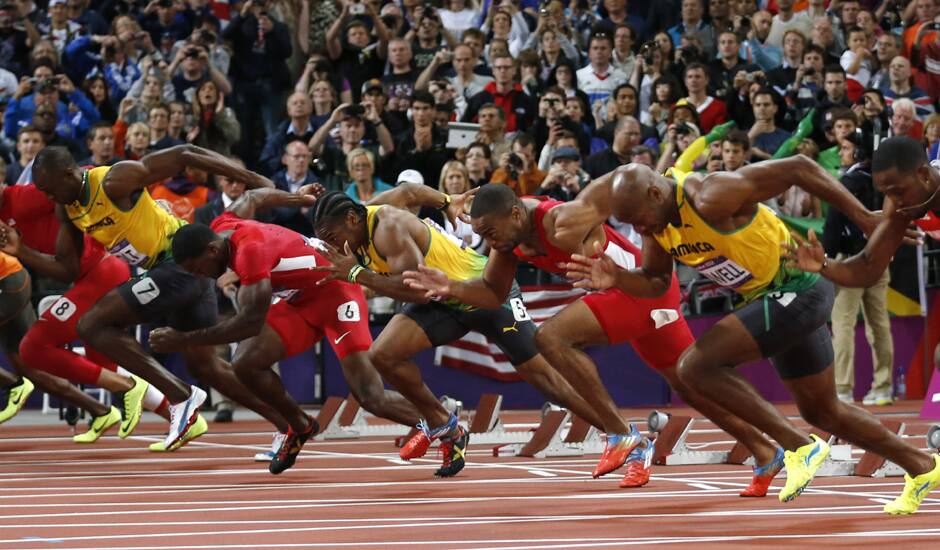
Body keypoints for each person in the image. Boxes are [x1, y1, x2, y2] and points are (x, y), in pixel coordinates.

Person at [564, 155, 940, 515]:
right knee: (823, 410)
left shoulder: (711, 194)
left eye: (638, 220)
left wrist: (861, 216)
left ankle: (796, 446)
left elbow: (798, 167)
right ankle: (922, 465)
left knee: (694, 367)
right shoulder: (659, 225)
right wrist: (618, 280)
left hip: (800, 286)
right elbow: (656, 280)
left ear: (656, 194)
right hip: (774, 299)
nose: (639, 229)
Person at [403, 182, 784, 494]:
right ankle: (765, 450)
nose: (489, 241)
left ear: (516, 213)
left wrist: (592, 245)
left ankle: (622, 434)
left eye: (490, 231)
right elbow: (492, 294)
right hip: (635, 295)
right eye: (482, 234)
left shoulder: (557, 220)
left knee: (550, 337)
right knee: (692, 384)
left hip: (640, 287)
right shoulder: (509, 241)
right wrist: (451, 286)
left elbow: (599, 208)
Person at [311, 188, 606, 478]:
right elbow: (409, 192)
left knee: (549, 381)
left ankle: (618, 433)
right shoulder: (364, 217)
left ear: (351, 219)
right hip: (445, 300)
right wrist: (447, 201)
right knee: (383, 355)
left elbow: (417, 291)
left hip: (484, 291)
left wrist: (357, 274)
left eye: (332, 238)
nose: (334, 248)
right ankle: (444, 424)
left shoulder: (388, 227)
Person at [28, 145, 290, 451]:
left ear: (69, 174)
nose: (48, 197)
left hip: (182, 260)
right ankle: (289, 424)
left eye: (49, 189)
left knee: (92, 326)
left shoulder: (114, 181)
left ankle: (180, 396)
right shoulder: (67, 208)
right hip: (176, 275)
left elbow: (185, 154)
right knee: (206, 368)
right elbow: (66, 269)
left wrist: (251, 176)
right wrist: (20, 251)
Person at [151, 185, 425, 474]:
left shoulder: (249, 255)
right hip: (300, 299)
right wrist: (297, 198)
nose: (200, 276)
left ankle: (437, 418)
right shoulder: (223, 225)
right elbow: (254, 196)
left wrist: (183, 339)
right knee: (245, 363)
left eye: (198, 269)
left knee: (371, 397)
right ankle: (299, 425)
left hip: (337, 294)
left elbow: (249, 324)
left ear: (211, 250)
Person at [0, 182, 176, 446]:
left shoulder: (25, 196)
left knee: (33, 347)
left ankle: (128, 389)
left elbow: (81, 180)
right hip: (89, 276)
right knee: (108, 366)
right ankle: (181, 414)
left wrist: (148, 208)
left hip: (100, 272)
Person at [821, 132, 894, 406]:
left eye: (845, 148)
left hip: (851, 262)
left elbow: (833, 223)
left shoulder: (848, 181)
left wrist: (826, 259)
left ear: (859, 152)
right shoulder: (885, 182)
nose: (841, 153)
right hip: (881, 258)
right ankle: (884, 387)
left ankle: (842, 389)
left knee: (843, 325)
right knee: (879, 324)